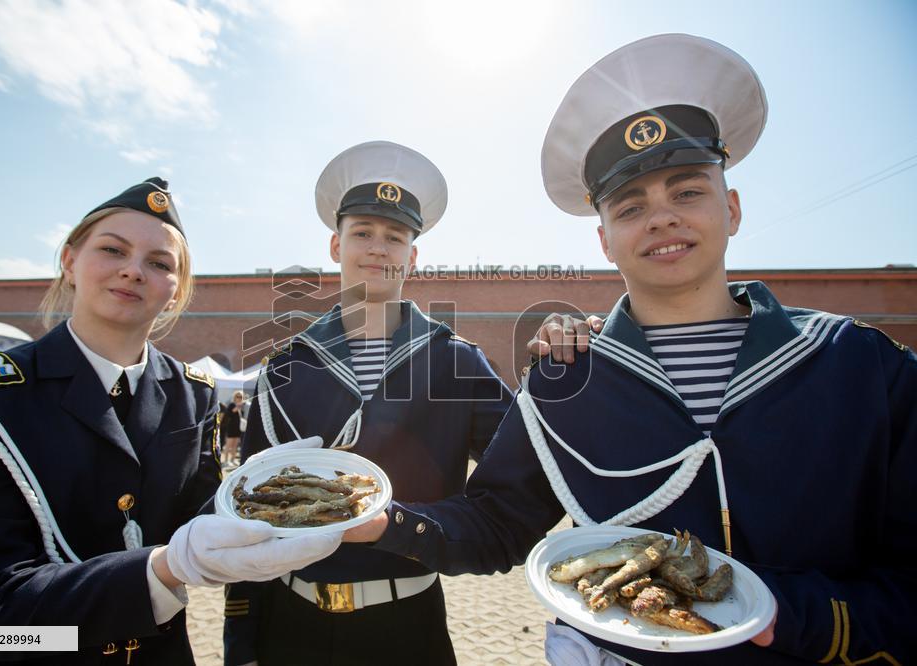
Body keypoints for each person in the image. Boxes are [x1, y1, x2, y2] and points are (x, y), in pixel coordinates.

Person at [345, 34, 916, 665]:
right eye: (631, 205)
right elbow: (500, 523)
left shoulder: (859, 366)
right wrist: (383, 522)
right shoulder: (569, 378)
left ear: (731, 207)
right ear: (605, 240)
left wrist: (796, 617)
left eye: (687, 191)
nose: (662, 218)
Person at [0, 178, 340, 665]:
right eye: (113, 250)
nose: (133, 271)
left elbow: (202, 524)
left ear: (176, 290)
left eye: (159, 263)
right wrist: (161, 569)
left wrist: (268, 493)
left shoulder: (192, 394)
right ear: (70, 261)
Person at [223, 141, 514, 666]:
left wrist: (401, 526)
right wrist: (240, 645)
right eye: (362, 233)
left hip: (406, 627)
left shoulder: (456, 363)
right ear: (336, 246)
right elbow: (246, 508)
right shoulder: (286, 364)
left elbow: (513, 494)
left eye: (395, 237)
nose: (378, 249)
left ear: (414, 255)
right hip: (288, 627)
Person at [221, 390, 248, 467]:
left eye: (241, 397)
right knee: (229, 445)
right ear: (234, 397)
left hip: (238, 428)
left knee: (235, 445)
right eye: (238, 396)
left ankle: (232, 459)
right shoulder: (232, 405)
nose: (239, 398)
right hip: (231, 427)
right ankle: (226, 461)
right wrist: (239, 405)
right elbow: (232, 411)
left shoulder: (242, 406)